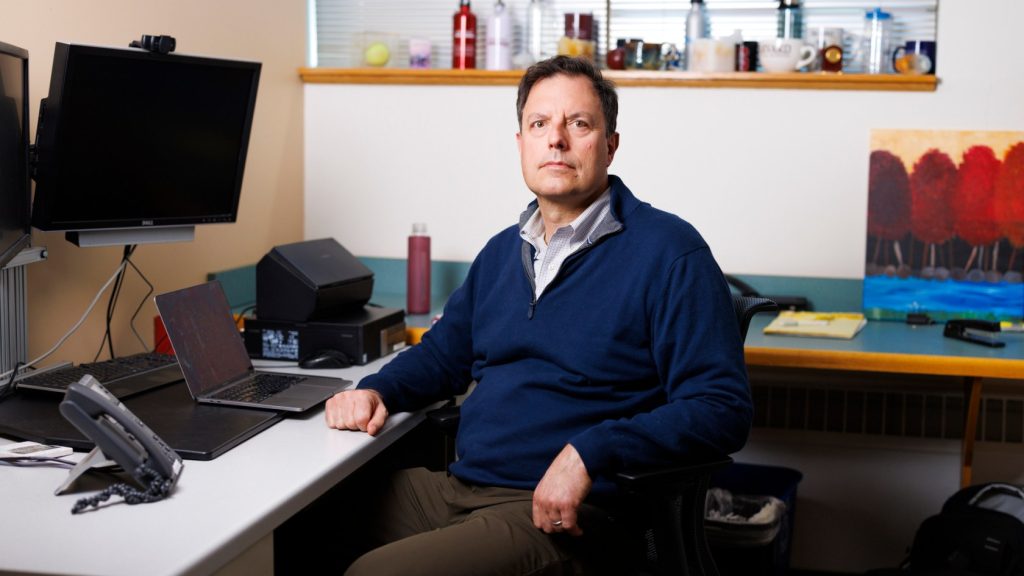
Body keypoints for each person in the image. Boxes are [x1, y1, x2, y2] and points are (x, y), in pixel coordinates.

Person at [325, 55, 752, 576]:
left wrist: (590, 453)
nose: (556, 140)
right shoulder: (502, 252)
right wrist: (376, 390)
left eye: (579, 123)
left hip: (561, 515)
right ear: (521, 143)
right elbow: (442, 357)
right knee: (300, 524)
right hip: (461, 489)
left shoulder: (669, 253)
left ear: (610, 145)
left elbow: (721, 408)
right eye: (539, 124)